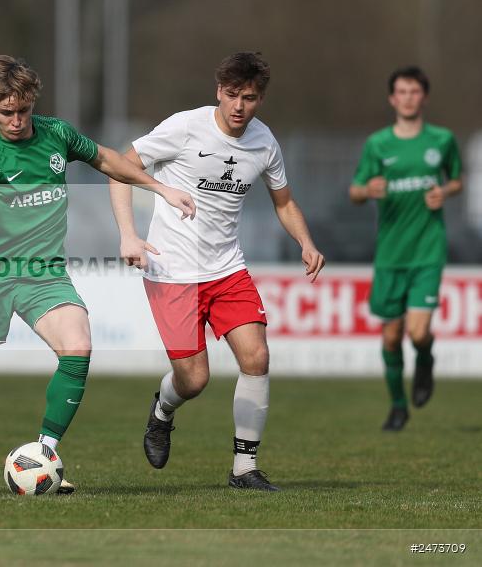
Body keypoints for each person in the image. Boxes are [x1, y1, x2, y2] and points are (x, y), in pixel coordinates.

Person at [0, 54, 196, 494]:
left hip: (44, 274)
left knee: (78, 345)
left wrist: (160, 187)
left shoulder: (57, 134)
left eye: (23, 110)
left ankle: (45, 452)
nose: (16, 121)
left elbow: (109, 160)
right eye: (6, 112)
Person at [109, 52, 325, 492]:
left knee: (257, 357)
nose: (239, 106)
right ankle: (162, 412)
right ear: (218, 92)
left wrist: (305, 241)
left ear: (260, 98)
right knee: (195, 379)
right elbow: (119, 168)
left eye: (249, 97)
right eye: (231, 95)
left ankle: (245, 469)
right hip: (171, 273)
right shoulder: (185, 127)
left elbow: (283, 202)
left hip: (227, 270)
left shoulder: (264, 143)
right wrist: (128, 235)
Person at [349, 66, 462, 432]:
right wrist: (368, 191)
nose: (408, 97)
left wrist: (444, 191)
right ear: (392, 98)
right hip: (390, 253)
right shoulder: (378, 144)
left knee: (416, 332)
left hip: (428, 249)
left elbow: (457, 179)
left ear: (423, 97)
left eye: (415, 91)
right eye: (402, 91)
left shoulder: (442, 140)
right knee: (392, 335)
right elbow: (354, 191)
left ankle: (426, 360)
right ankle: (398, 406)